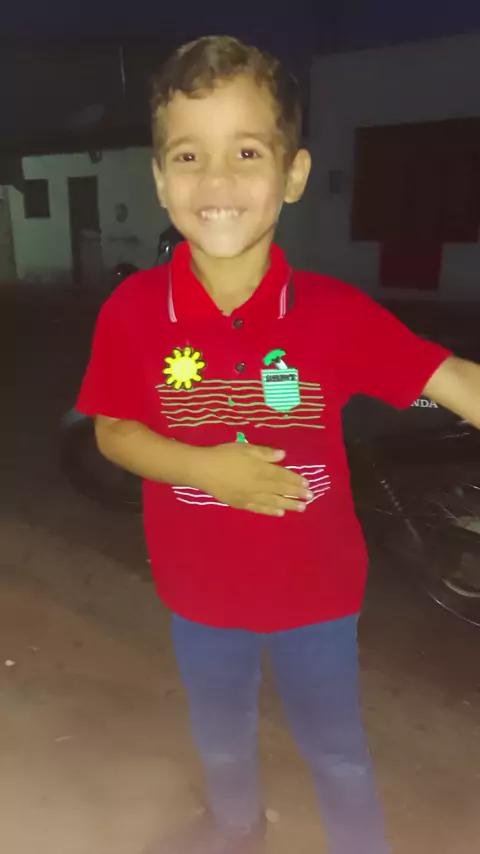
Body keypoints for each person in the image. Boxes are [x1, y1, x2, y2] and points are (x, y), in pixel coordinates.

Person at [76, 35, 480, 854]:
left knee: (337, 750)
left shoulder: (334, 313)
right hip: (199, 594)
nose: (216, 181)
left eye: (247, 152)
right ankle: (235, 826)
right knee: (221, 739)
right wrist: (207, 470)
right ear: (159, 178)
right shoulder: (134, 312)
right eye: (189, 155)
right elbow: (113, 431)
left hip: (316, 597)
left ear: (293, 174)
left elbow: (454, 379)